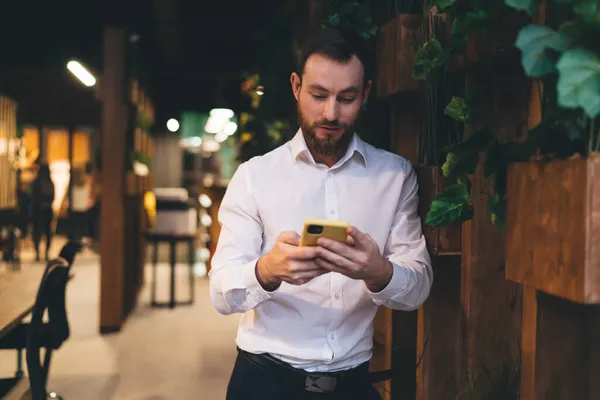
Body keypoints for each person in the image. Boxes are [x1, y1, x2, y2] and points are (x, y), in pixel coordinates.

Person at [209, 27, 433, 400]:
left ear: (366, 93)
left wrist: (379, 272)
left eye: (346, 98)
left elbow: (418, 288)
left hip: (353, 385)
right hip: (264, 383)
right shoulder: (255, 176)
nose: (331, 113)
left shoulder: (394, 177)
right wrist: (268, 270)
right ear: (296, 87)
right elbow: (220, 293)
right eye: (318, 95)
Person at [31, 164, 55, 261]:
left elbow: (52, 196)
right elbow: (33, 197)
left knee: (45, 232)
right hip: (39, 210)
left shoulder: (48, 183)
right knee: (39, 232)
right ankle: (39, 252)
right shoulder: (38, 183)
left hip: (45, 210)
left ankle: (44, 252)